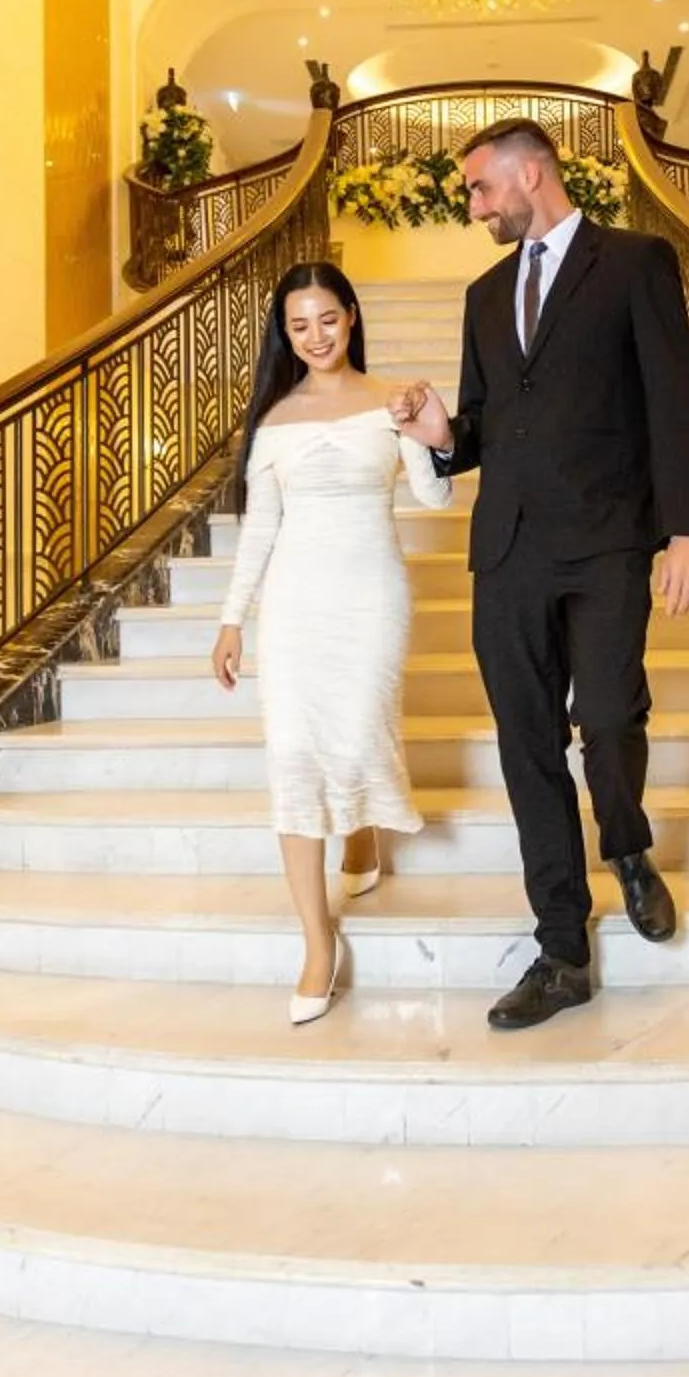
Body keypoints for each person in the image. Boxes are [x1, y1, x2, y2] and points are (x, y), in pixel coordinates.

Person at [391, 119, 689, 1031]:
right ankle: (562, 946)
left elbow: (673, 398)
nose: (474, 206)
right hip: (508, 551)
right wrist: (440, 435)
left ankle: (629, 844)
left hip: (610, 538)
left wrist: (687, 530)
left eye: (481, 189)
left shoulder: (634, 263)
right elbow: (485, 424)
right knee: (526, 747)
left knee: (609, 719)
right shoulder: (484, 296)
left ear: (532, 173)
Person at [211, 262, 451, 1025]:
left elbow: (436, 496)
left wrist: (425, 423)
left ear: (351, 316)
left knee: (353, 743)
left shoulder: (391, 399)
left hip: (372, 594)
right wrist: (231, 619)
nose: (314, 336)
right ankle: (317, 943)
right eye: (298, 325)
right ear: (286, 334)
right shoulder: (274, 419)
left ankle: (363, 836)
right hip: (293, 602)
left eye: (327, 319)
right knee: (291, 755)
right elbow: (261, 530)